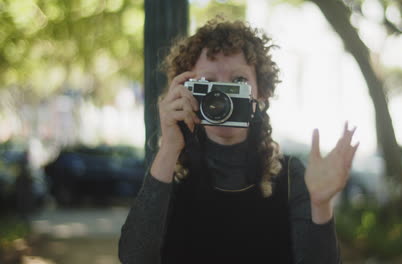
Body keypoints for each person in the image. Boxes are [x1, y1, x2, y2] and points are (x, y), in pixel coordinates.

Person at [119, 19, 359, 264]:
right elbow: (134, 258)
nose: (222, 94)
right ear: (187, 91)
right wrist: (169, 147)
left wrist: (320, 206)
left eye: (239, 82)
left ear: (261, 93)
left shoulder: (290, 176)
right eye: (209, 82)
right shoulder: (169, 175)